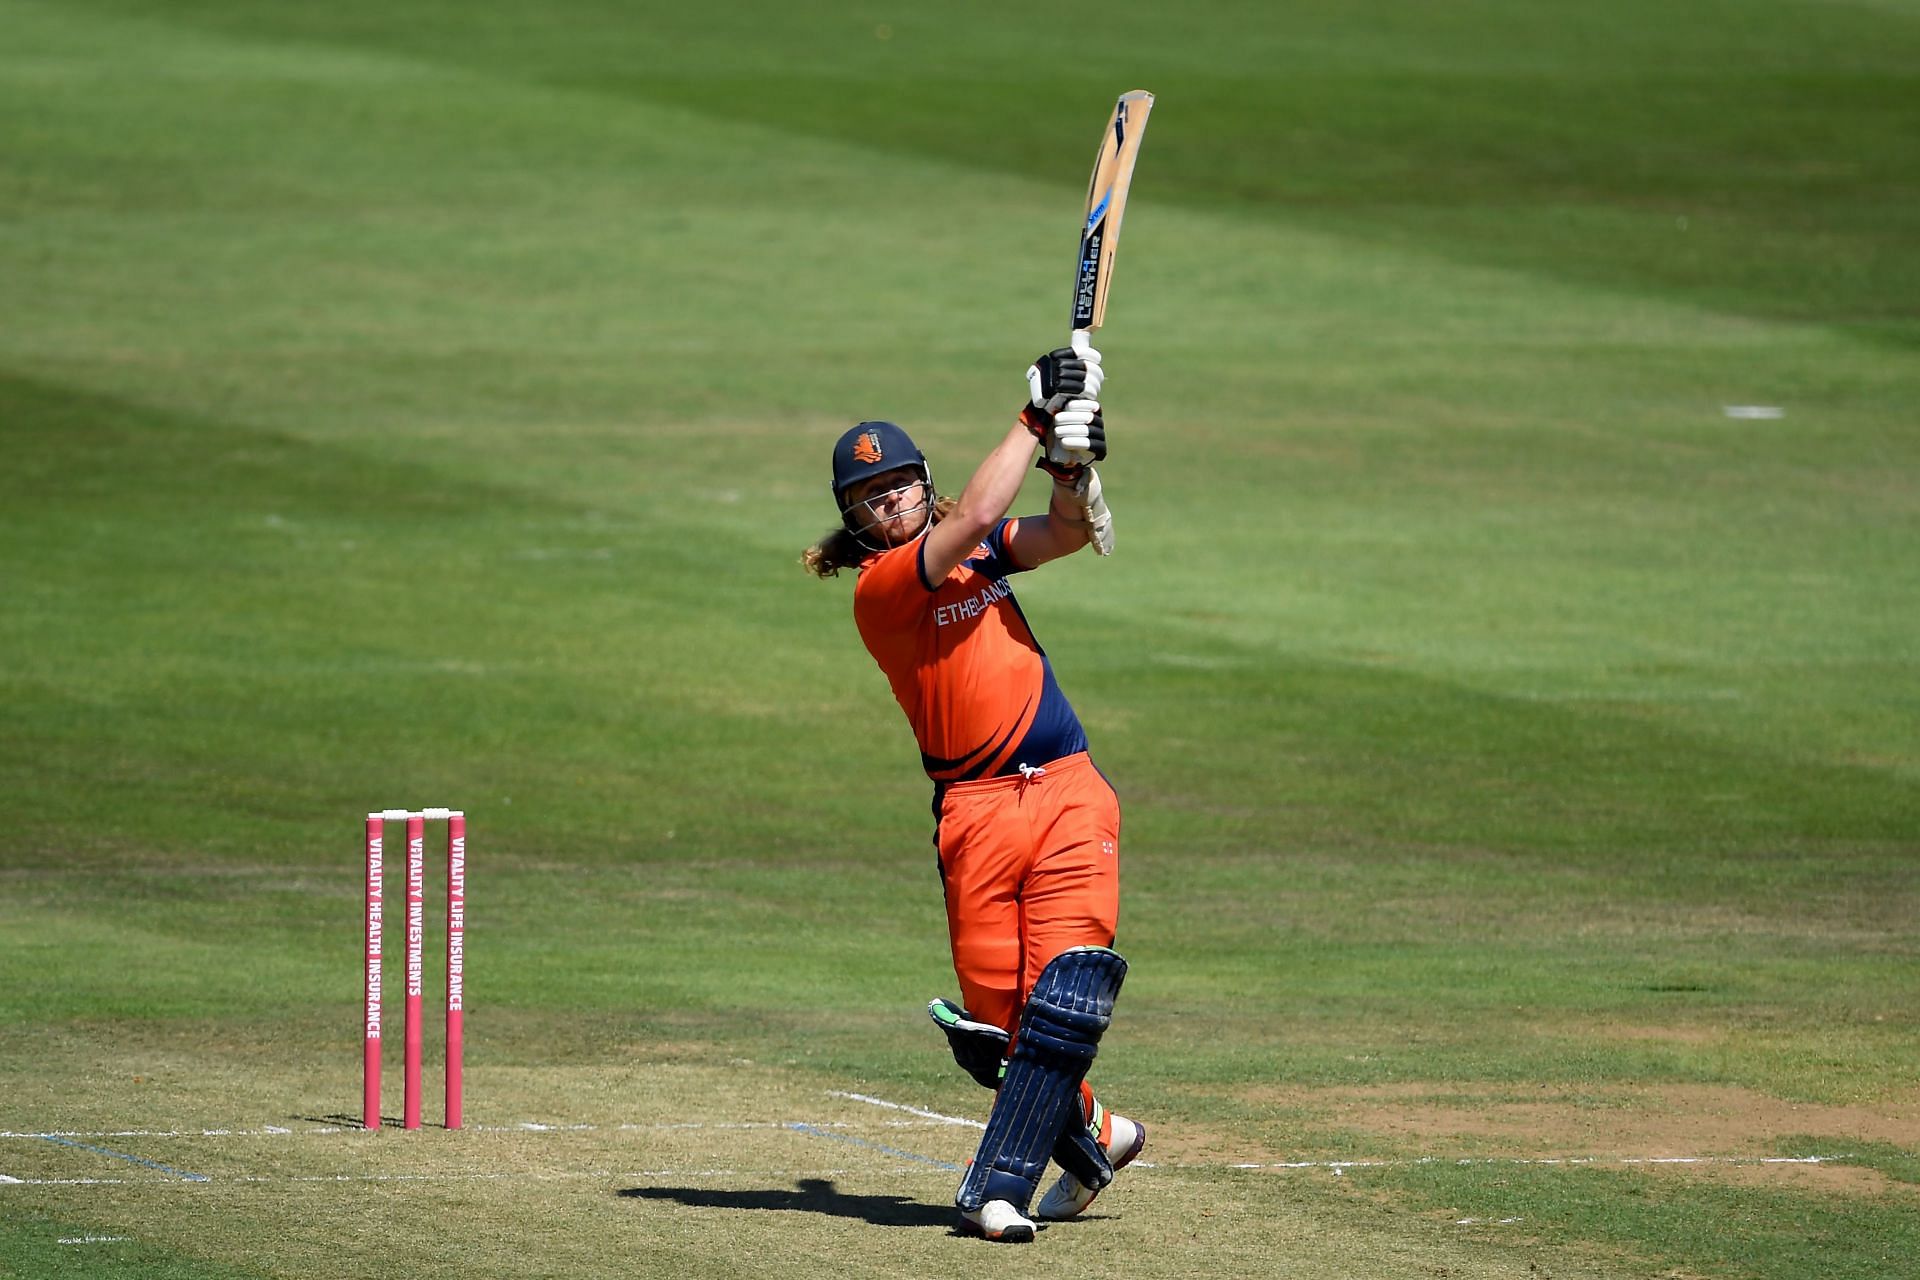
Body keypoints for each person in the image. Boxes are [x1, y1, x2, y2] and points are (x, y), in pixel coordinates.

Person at [802, 346, 1144, 1242]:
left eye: (902, 486)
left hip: (1067, 791)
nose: (891, 503)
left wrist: (1074, 469)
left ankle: (995, 1190)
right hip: (976, 815)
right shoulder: (881, 591)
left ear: (923, 484)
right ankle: (1099, 1131)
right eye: (870, 499)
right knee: (999, 1035)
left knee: (1064, 1000)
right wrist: (1035, 423)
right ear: (855, 520)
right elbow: (988, 504)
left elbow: (1061, 531)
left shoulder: (982, 552)